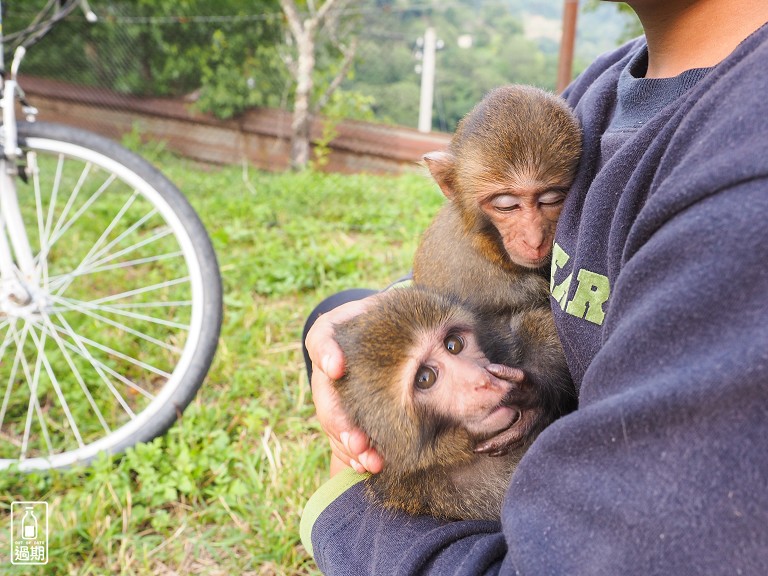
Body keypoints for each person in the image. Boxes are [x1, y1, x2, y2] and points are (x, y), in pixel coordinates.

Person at [300, 0, 768, 573]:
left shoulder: (745, 182)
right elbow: (484, 295)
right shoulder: (595, 95)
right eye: (506, 206)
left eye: (552, 200)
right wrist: (346, 327)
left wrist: (344, 509)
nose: (536, 234)